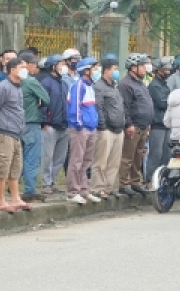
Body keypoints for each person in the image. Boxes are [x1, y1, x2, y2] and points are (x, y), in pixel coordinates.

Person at [0, 56, 31, 213]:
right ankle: (0, 201)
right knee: (2, 167)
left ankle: (16, 198)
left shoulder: (18, 87)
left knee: (15, 168)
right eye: (22, 67)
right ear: (12, 70)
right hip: (3, 132)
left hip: (16, 133)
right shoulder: (3, 87)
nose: (26, 70)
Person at [117, 53, 154, 196]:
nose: (146, 68)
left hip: (144, 126)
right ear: (133, 67)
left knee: (139, 155)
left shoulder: (141, 83)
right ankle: (124, 183)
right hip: (133, 126)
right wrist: (128, 124)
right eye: (143, 65)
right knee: (128, 156)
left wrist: (148, 122)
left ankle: (135, 182)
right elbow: (124, 106)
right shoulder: (125, 84)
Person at [16, 52, 50, 202]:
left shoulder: (11, 81)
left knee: (17, 157)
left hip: (15, 124)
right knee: (31, 158)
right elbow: (47, 99)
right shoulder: (30, 82)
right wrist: (38, 101)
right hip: (31, 123)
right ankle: (29, 189)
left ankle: (14, 187)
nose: (35, 67)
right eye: (33, 64)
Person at [90, 58, 126, 200]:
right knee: (101, 161)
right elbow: (98, 107)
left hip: (118, 129)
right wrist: (103, 126)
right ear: (106, 70)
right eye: (114, 69)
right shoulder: (99, 86)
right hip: (105, 129)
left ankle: (108, 188)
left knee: (114, 162)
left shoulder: (114, 86)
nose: (117, 72)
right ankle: (98, 188)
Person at [65, 57, 99, 204]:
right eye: (94, 68)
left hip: (91, 128)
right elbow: (75, 108)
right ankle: (73, 192)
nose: (97, 71)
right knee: (76, 160)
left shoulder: (90, 86)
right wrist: (78, 124)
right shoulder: (78, 86)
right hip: (80, 128)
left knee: (86, 161)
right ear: (86, 70)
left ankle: (84, 190)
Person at [38, 55, 69, 195]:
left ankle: (53, 181)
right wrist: (44, 122)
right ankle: (46, 183)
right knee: (47, 156)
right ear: (53, 66)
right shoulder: (46, 83)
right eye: (61, 63)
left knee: (60, 157)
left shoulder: (64, 83)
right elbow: (42, 104)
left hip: (63, 125)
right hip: (50, 125)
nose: (64, 66)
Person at [145, 60, 174, 188]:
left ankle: (163, 180)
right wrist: (172, 101)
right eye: (165, 70)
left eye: (168, 70)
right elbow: (162, 103)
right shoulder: (154, 86)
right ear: (158, 71)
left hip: (167, 124)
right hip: (157, 124)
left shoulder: (165, 85)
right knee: (155, 154)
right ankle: (150, 180)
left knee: (167, 155)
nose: (167, 72)